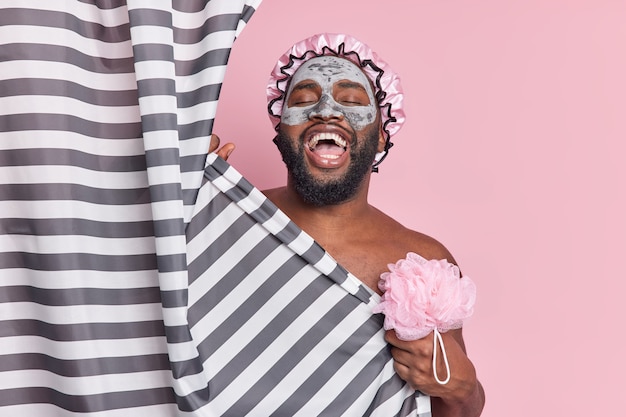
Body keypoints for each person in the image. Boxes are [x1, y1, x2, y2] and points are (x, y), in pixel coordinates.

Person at [211, 32, 485, 416]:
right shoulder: (225, 215)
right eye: (304, 100)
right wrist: (178, 195)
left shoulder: (423, 261)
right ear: (280, 132)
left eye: (352, 101)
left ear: (380, 137)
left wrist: (463, 390)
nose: (326, 110)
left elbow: (451, 404)